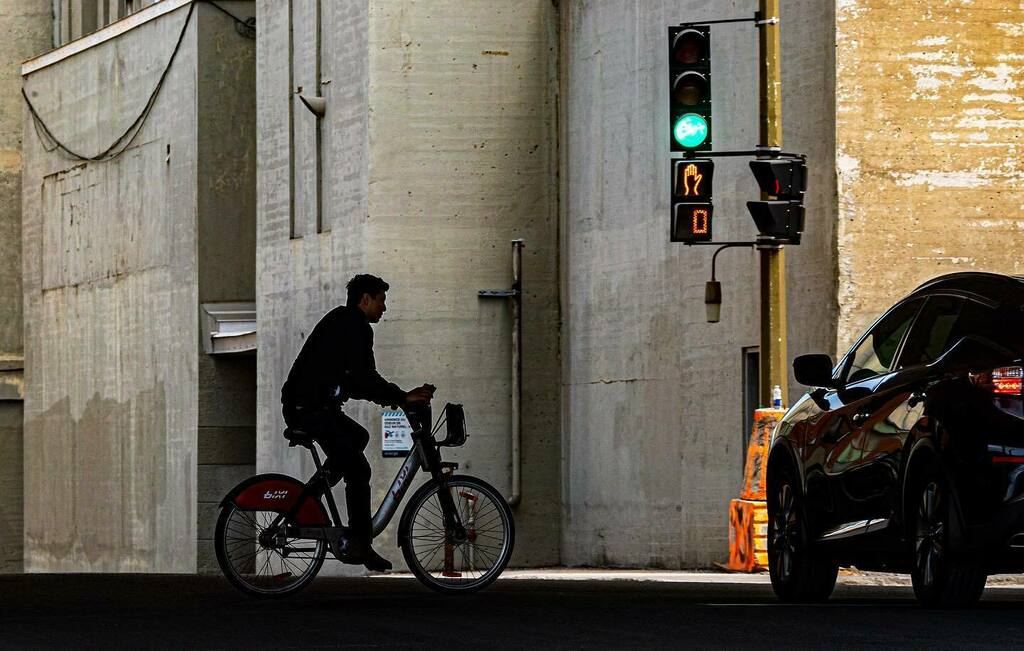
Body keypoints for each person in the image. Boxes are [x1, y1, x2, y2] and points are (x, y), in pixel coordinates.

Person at [281, 274, 434, 571]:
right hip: (309, 408)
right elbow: (364, 378)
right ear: (366, 299)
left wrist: (397, 397)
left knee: (358, 437)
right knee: (358, 469)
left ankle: (310, 498)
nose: (384, 308)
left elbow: (355, 381)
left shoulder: (344, 321)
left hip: (309, 405)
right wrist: (401, 397)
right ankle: (360, 542)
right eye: (381, 301)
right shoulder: (355, 325)